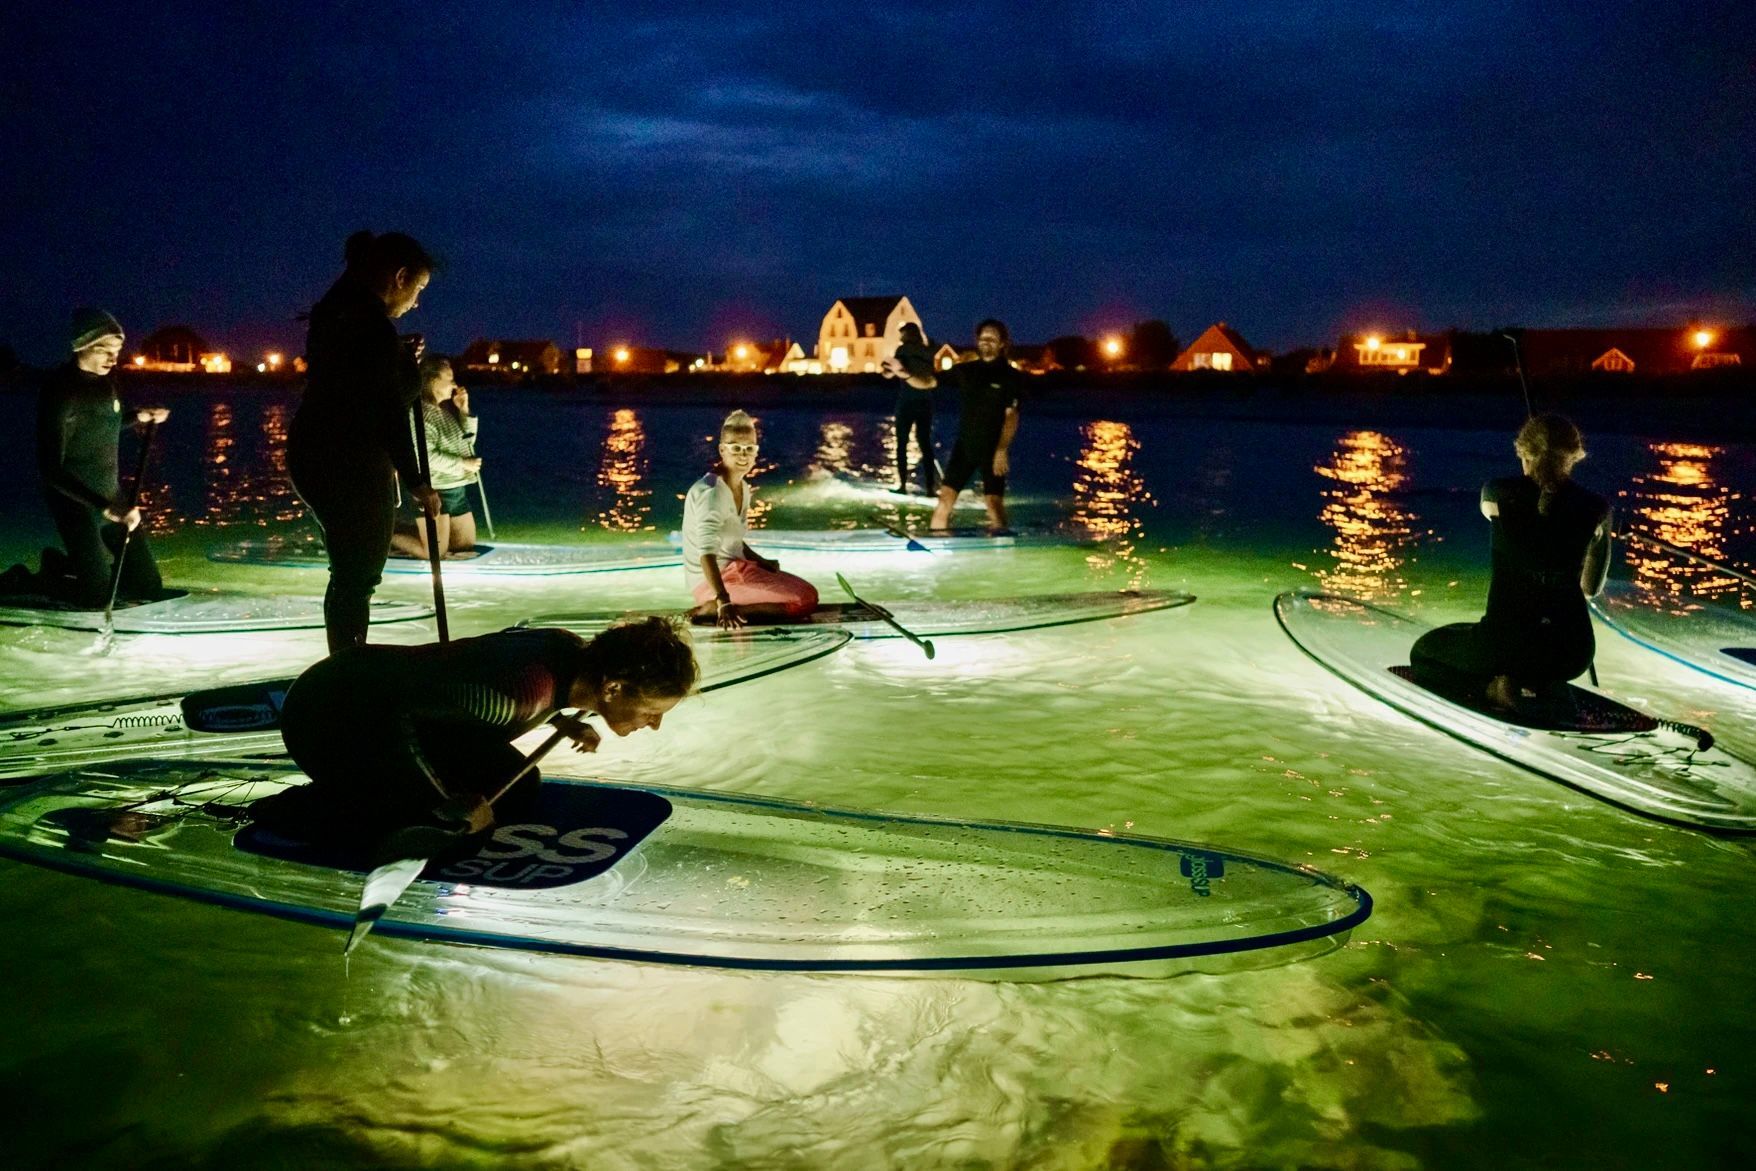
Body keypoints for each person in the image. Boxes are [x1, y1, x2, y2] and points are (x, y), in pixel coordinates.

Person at [252, 618, 698, 850]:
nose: (654, 722)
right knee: (454, 834)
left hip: (379, 696)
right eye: (652, 711)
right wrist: (440, 804)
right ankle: (302, 809)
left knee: (518, 788)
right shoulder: (515, 694)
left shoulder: (569, 653)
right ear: (613, 687)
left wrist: (564, 721)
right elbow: (394, 715)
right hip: (332, 715)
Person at [289, 230, 439, 652]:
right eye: (418, 289)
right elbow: (386, 411)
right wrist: (416, 481)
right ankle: (348, 672)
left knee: (351, 574)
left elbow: (360, 377)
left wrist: (398, 356)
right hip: (349, 462)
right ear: (400, 276)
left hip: (317, 453)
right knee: (358, 576)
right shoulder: (369, 325)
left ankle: (345, 663)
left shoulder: (339, 310)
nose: (416, 302)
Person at [1410, 414, 1610, 715]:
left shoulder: (1496, 493)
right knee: (1528, 647)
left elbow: (1498, 516)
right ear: (1574, 457)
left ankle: (1495, 689)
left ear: (1523, 452)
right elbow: (1591, 588)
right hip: (1571, 653)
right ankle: (1545, 684)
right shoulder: (1599, 509)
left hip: (1504, 646)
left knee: (1424, 654)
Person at [33, 308, 170, 607]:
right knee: (97, 598)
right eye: (104, 350)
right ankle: (35, 580)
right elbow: (49, 469)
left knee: (148, 587)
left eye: (117, 350)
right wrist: (106, 508)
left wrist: (140, 416)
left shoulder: (107, 383)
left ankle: (61, 565)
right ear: (81, 346)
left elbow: (102, 425)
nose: (113, 358)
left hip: (112, 494)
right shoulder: (60, 390)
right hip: (75, 501)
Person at [681, 409, 819, 628]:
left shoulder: (742, 487)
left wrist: (761, 561)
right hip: (712, 582)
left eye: (749, 449)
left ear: (756, 453)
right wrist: (723, 600)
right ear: (722, 450)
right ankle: (713, 608)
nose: (743, 455)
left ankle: (729, 602)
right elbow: (706, 554)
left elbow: (733, 540)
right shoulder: (712, 493)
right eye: (735, 448)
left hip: (737, 569)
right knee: (803, 600)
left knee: (808, 592)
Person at [885, 318, 1021, 533]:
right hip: (964, 447)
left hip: (992, 450)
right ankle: (939, 551)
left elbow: (1011, 416)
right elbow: (928, 382)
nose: (986, 342)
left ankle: (1002, 546)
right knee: (944, 502)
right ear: (977, 341)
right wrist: (905, 373)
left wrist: (1002, 449)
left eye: (992, 338)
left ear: (1003, 343)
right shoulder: (965, 371)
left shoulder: (1010, 376)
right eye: (983, 338)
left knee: (993, 504)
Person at [390, 356, 482, 559]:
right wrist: (462, 463)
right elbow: (426, 456)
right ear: (432, 381)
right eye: (449, 378)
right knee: (434, 552)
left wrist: (464, 411)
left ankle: (417, 533)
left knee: (464, 548)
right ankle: (384, 537)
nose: (454, 384)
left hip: (456, 489)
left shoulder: (444, 412)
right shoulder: (420, 414)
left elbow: (467, 443)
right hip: (435, 489)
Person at [890, 321, 937, 494]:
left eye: (902, 334)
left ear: (907, 335)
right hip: (926, 401)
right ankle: (931, 488)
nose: (900, 337)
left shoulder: (902, 350)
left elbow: (896, 369)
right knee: (925, 443)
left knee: (902, 443)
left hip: (907, 401)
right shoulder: (928, 351)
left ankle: (902, 485)